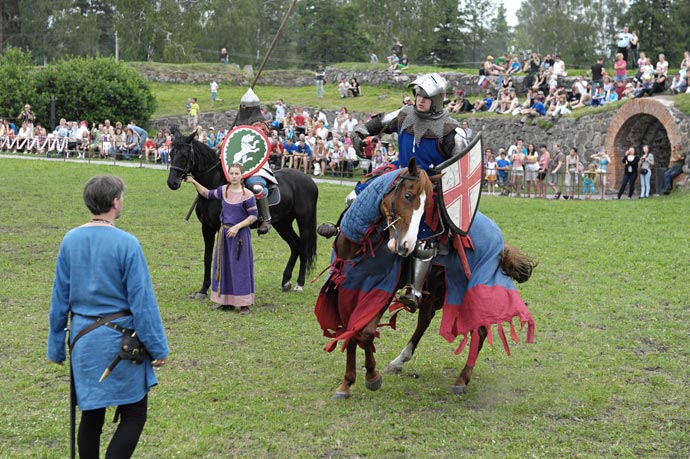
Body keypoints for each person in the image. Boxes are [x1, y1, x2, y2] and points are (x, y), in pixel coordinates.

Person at [47, 175, 169, 459]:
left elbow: (58, 300)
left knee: (92, 417)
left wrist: (55, 347)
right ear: (115, 202)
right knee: (135, 415)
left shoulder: (70, 240)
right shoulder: (127, 244)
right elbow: (143, 303)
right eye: (122, 197)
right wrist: (158, 348)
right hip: (121, 345)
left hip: (83, 343)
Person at [184, 164, 258, 314]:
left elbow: (253, 216)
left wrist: (237, 227)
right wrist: (193, 181)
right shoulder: (223, 191)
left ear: (241, 175)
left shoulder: (248, 195)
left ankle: (244, 304)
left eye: (237, 173)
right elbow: (206, 193)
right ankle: (226, 302)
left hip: (240, 237)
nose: (234, 176)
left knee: (241, 268)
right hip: (224, 235)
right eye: (231, 173)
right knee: (224, 267)